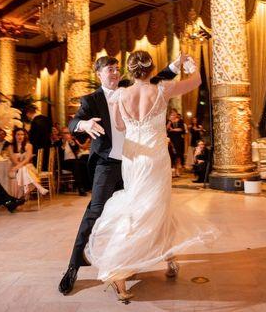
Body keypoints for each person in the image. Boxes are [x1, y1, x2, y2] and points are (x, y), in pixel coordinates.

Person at [82, 50, 216, 302]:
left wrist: (137, 126)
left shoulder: (121, 95)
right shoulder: (163, 89)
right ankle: (117, 268)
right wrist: (191, 65)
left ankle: (167, 259)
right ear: (151, 69)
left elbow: (120, 127)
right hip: (155, 157)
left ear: (129, 71)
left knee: (137, 207)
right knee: (156, 206)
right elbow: (197, 81)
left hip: (133, 157)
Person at [58, 54, 181, 296]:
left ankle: (129, 260)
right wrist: (83, 125)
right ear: (99, 74)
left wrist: (176, 64)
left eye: (116, 69)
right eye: (109, 70)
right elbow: (75, 121)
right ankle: (73, 266)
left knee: (138, 212)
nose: (114, 73)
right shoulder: (91, 100)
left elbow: (158, 77)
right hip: (108, 165)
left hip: (135, 164)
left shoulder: (129, 88)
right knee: (95, 212)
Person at [9, 128, 48, 198]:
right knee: (23, 169)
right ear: (14, 136)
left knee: (23, 169)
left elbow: (27, 160)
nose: (20, 136)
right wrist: (18, 166)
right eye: (18, 134)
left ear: (25, 136)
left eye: (22, 134)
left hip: (27, 166)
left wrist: (18, 167)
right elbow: (13, 160)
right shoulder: (10, 147)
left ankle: (26, 190)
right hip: (16, 166)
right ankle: (38, 187)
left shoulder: (29, 145)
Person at [58, 127, 86, 196]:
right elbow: (58, 155)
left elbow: (77, 149)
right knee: (75, 164)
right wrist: (64, 144)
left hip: (74, 161)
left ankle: (87, 186)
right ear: (62, 134)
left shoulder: (72, 141)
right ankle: (80, 188)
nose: (67, 134)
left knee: (84, 163)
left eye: (68, 132)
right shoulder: (58, 142)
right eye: (65, 133)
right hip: (64, 163)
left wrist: (72, 143)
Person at [25, 105, 52, 170]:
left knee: (36, 168)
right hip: (47, 148)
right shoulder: (47, 119)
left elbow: (33, 138)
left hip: (38, 150)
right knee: (45, 167)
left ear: (28, 113)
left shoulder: (35, 122)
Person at [167, 110, 186, 177]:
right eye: (172, 113)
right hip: (171, 140)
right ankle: (173, 171)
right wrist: (170, 121)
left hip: (178, 140)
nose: (173, 115)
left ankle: (177, 170)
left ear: (176, 114)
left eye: (174, 113)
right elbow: (166, 129)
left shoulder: (180, 121)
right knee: (172, 155)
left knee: (178, 155)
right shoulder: (169, 121)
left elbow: (182, 129)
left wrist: (173, 130)